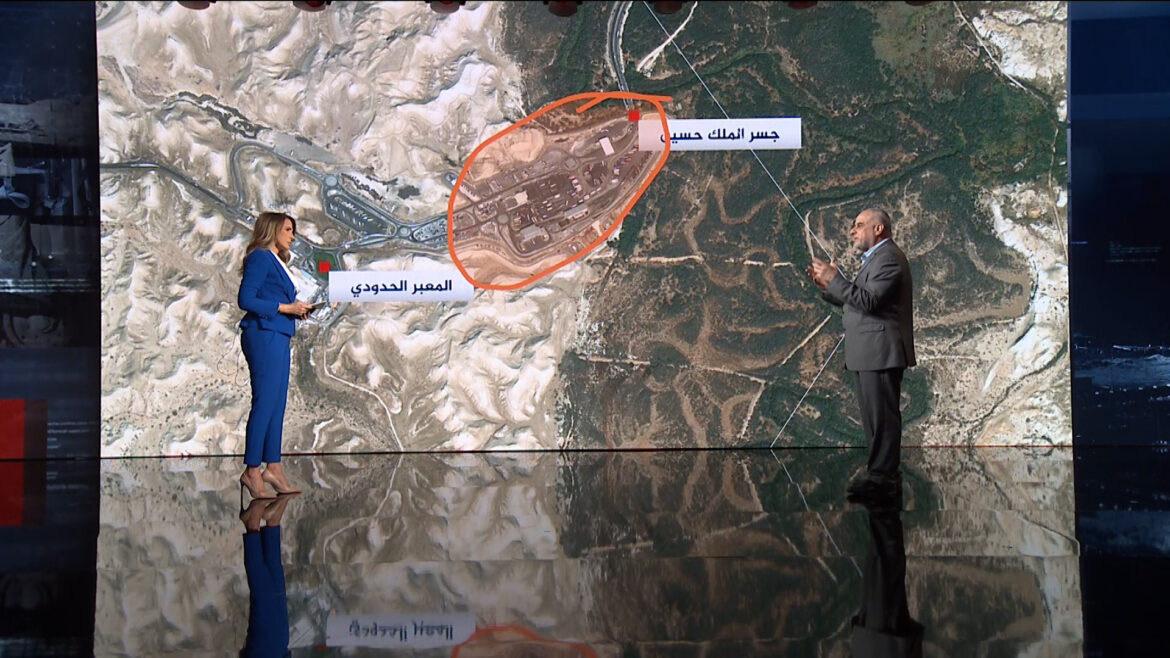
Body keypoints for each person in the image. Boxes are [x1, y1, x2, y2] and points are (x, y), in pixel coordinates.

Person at [806, 208, 915, 504]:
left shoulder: (888, 258)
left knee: (882, 420)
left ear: (878, 229)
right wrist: (828, 286)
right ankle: (880, 478)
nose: (853, 231)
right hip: (870, 353)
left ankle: (884, 481)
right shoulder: (876, 259)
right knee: (874, 420)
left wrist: (835, 279)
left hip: (880, 352)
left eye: (859, 225)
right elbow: (856, 300)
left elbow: (868, 301)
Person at [237, 212, 313, 501]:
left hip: (279, 334)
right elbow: (246, 299)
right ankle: (252, 471)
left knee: (277, 404)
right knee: (265, 402)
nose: (292, 236)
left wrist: (296, 310)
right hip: (263, 333)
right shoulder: (260, 257)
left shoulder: (278, 262)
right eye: (288, 229)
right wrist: (286, 308)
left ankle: (273, 467)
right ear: (272, 229)